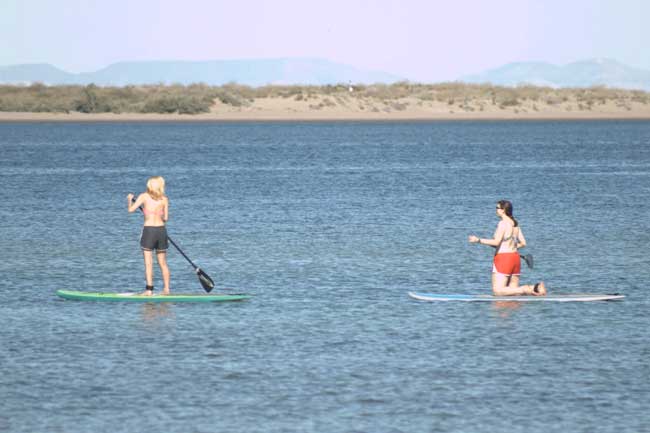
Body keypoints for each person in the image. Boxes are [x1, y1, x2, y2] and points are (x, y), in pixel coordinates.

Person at [468, 200, 546, 296]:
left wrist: (478, 240)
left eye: (497, 208)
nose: (496, 210)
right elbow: (523, 243)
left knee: (497, 291)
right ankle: (534, 289)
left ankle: (529, 288)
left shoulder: (502, 223)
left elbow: (496, 242)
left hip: (503, 259)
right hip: (515, 258)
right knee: (511, 295)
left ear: (503, 210)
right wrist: (509, 247)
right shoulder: (515, 223)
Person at [127, 176, 170, 296]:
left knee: (148, 263)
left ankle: (149, 290)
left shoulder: (144, 196)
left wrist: (130, 199)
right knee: (163, 262)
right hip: (161, 231)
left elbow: (130, 210)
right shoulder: (164, 199)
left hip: (149, 231)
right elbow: (166, 218)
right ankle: (166, 289)